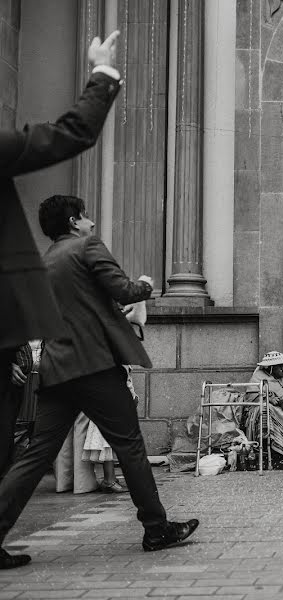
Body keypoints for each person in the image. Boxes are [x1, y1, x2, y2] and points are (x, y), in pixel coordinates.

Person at [0, 195, 198, 569]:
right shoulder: (87, 245)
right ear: (75, 221)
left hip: (57, 370)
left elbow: (74, 308)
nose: (91, 222)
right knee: (130, 447)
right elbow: (123, 289)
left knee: (35, 454)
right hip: (94, 366)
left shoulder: (44, 263)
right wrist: (143, 285)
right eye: (87, 216)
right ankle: (156, 529)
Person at [0, 31, 121, 488]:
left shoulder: (59, 252)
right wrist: (102, 70)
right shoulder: (83, 248)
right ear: (76, 221)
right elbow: (70, 134)